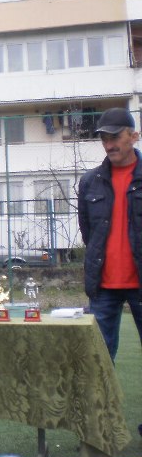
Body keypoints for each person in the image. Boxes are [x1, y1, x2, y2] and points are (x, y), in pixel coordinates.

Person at [77, 107, 142, 365]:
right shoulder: (89, 181)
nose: (109, 145)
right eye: (104, 139)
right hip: (103, 286)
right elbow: (88, 233)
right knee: (99, 363)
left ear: (134, 136)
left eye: (115, 137)